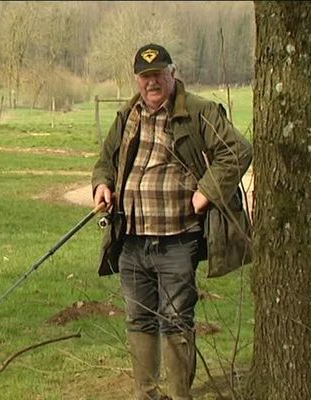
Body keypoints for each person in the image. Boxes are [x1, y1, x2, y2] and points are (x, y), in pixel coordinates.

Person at [91, 43, 252, 400]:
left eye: (158, 74)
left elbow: (238, 151)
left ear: (172, 73)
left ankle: (179, 396)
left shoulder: (199, 111)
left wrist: (206, 192)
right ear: (136, 79)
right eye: (145, 76)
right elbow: (105, 159)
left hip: (178, 239)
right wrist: (102, 184)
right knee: (139, 319)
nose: (152, 82)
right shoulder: (127, 114)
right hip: (132, 239)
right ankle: (146, 394)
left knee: (177, 321)